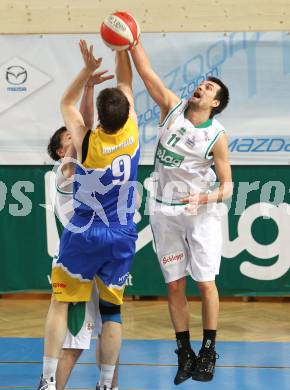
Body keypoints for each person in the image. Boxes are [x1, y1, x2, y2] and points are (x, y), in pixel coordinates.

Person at [38, 40, 139, 390]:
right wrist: (125, 47)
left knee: (60, 304)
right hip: (122, 233)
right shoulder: (131, 131)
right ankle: (105, 383)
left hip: (85, 236)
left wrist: (86, 73)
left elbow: (70, 107)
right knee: (112, 315)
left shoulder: (84, 147)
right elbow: (125, 86)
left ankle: (48, 380)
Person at [129, 42, 232, 384]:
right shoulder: (172, 108)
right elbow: (146, 73)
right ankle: (184, 351)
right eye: (202, 83)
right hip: (163, 210)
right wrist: (134, 42)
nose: (201, 87)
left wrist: (206, 198)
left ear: (215, 103)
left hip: (200, 213)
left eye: (209, 88)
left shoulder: (217, 136)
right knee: (174, 286)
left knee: (205, 284)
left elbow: (227, 186)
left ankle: (208, 350)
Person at [46, 71, 119, 390]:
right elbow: (83, 128)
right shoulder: (64, 170)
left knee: (111, 326)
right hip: (78, 259)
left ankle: (110, 386)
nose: (75, 138)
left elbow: (86, 129)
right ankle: (52, 384)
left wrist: (89, 88)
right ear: (62, 151)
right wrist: (87, 85)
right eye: (68, 139)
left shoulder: (92, 160)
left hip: (103, 250)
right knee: (75, 342)